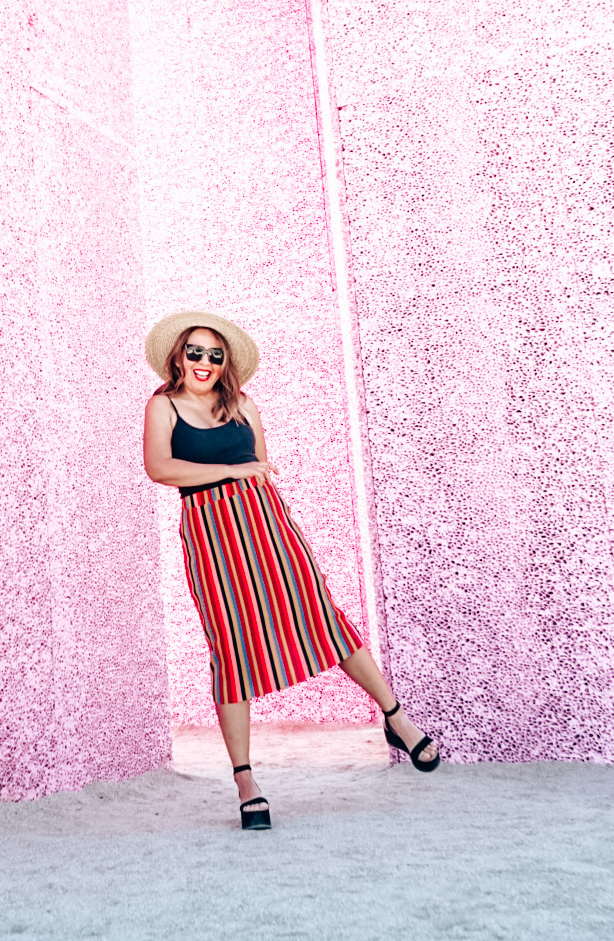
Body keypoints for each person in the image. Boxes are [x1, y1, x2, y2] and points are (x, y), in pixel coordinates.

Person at [143, 310, 439, 830]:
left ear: (225, 362)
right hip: (211, 533)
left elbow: (262, 470)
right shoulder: (163, 405)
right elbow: (160, 468)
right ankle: (246, 781)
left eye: (216, 354)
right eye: (196, 353)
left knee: (320, 617)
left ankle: (395, 718)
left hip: (267, 524)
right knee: (232, 643)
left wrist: (249, 479)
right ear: (177, 357)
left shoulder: (243, 405)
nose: (205, 362)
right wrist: (232, 469)